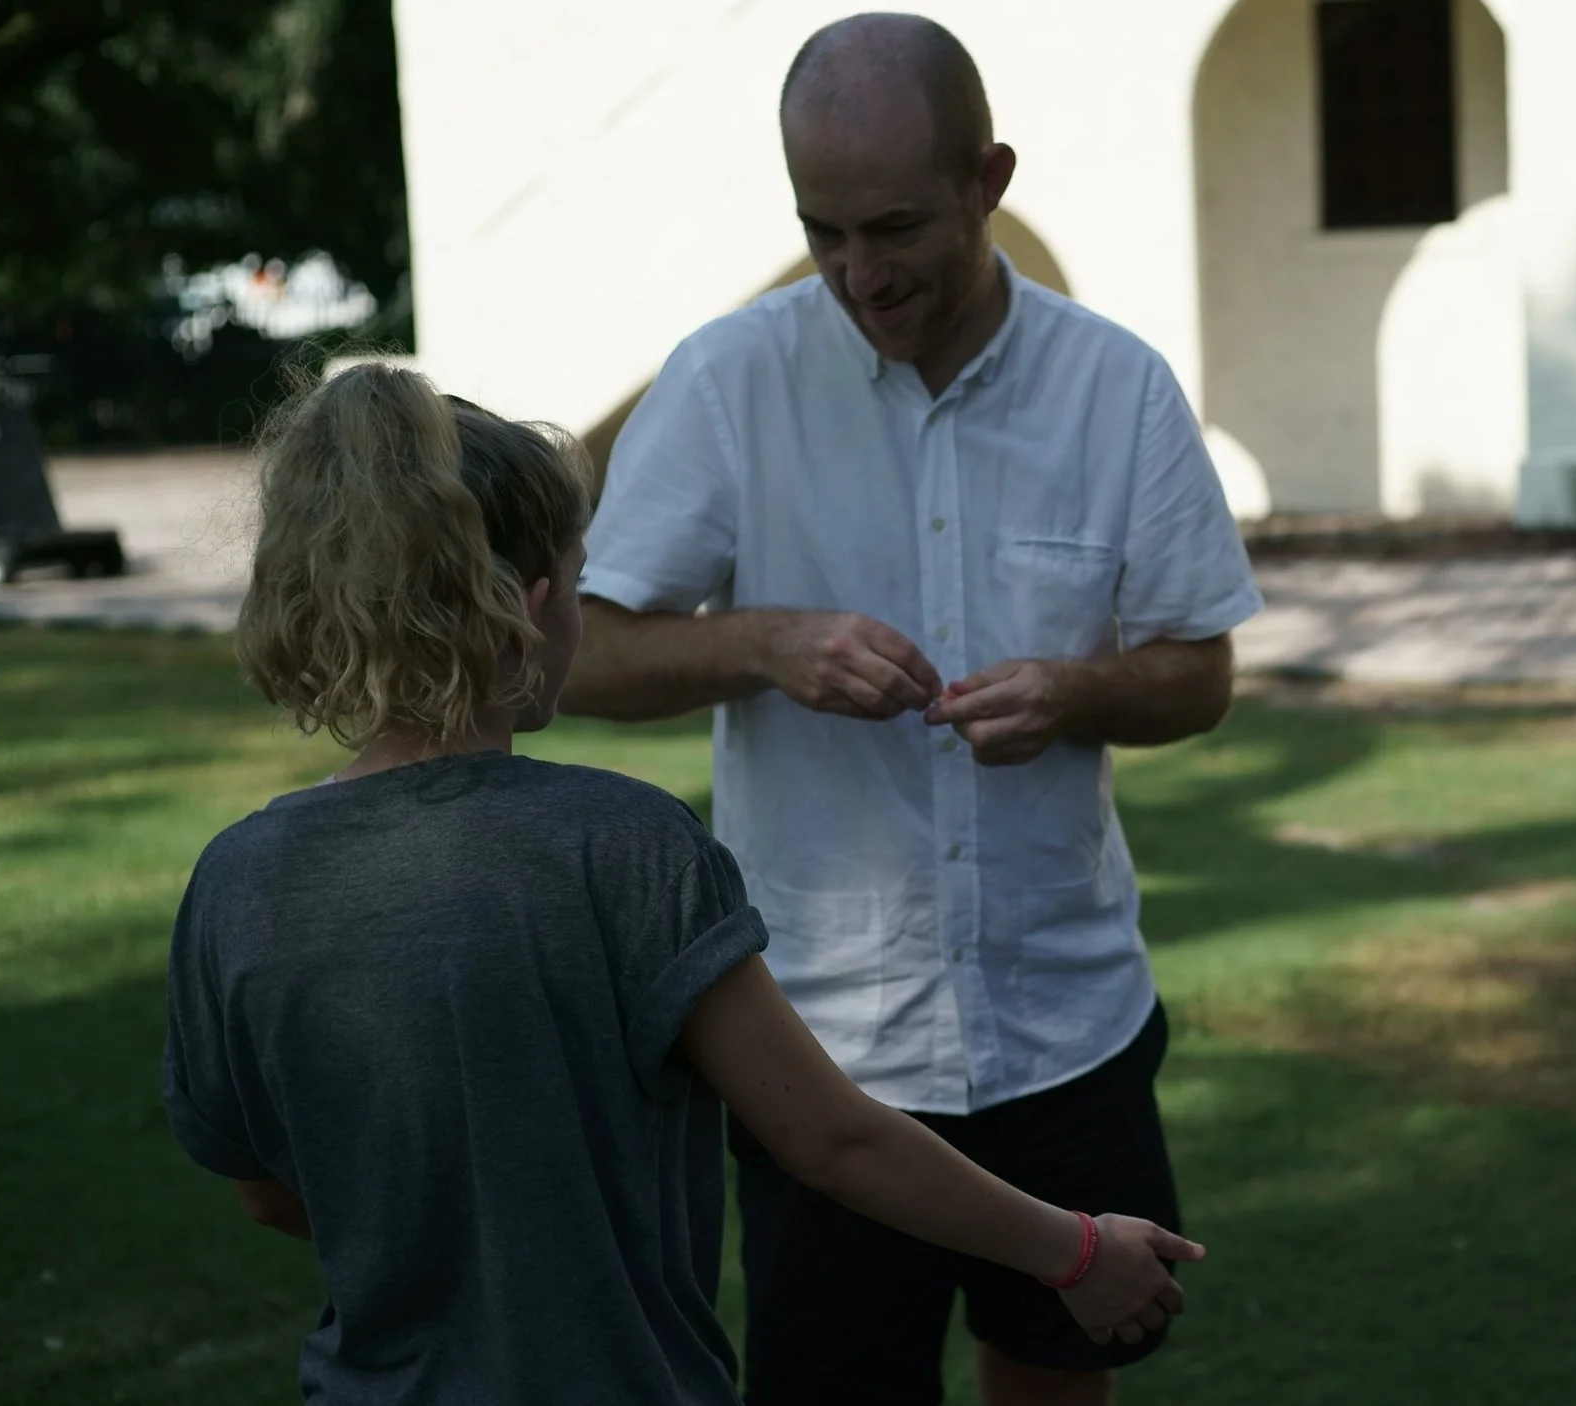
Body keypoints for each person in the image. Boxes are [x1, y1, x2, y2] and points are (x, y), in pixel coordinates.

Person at [159, 363, 1201, 1406]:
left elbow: (267, 1190)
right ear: (533, 607)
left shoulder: (236, 881)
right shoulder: (625, 846)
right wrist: (1071, 1248)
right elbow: (829, 1135)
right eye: (577, 579)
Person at [560, 12, 1262, 1405]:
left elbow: (1200, 673)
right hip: (824, 1053)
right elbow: (578, 656)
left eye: (893, 227)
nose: (857, 273)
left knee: (1059, 1367)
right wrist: (765, 644)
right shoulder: (729, 381)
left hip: (1067, 1023)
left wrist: (1076, 692)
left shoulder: (1115, 389)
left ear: (987, 178)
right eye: (822, 231)